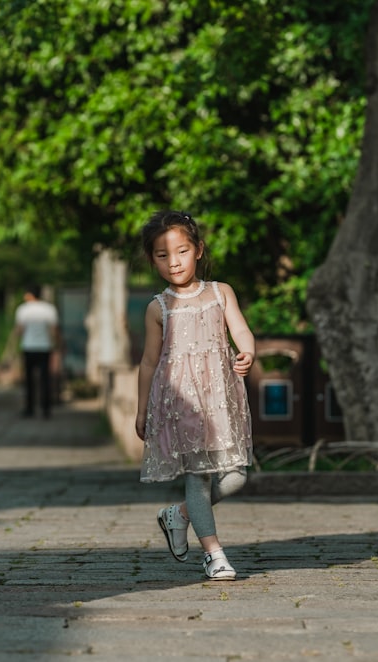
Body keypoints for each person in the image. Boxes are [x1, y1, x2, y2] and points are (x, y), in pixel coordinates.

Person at [135, 210, 255, 581]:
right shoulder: (158, 307)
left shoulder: (221, 293)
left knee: (235, 477)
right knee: (199, 476)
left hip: (220, 400)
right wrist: (141, 411)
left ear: (199, 250)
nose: (174, 262)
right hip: (180, 404)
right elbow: (148, 363)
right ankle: (214, 553)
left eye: (182, 251)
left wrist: (247, 352)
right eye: (162, 255)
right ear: (152, 259)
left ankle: (179, 515)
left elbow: (241, 330)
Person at [14, 284, 60, 418]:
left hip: (28, 347)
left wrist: (17, 339)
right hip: (45, 347)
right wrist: (58, 343)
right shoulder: (49, 309)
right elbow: (54, 330)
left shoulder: (23, 310)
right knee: (45, 378)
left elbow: (20, 330)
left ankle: (29, 408)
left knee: (29, 380)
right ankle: (46, 408)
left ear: (29, 295)